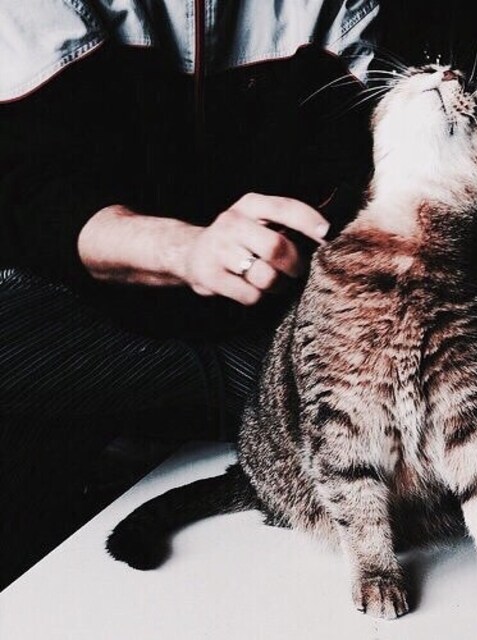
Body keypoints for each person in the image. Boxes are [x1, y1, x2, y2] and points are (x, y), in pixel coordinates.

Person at [0, 0, 379, 587]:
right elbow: (30, 192)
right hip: (84, 322)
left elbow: (356, 167)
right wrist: (186, 251)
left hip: (268, 336)